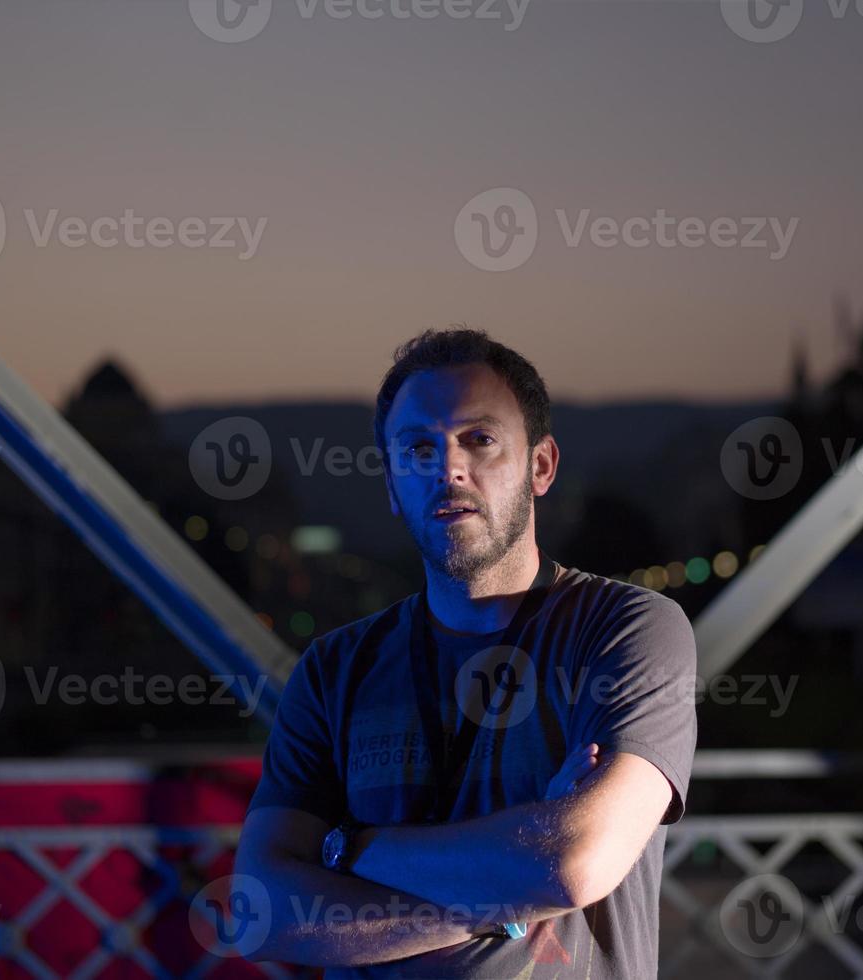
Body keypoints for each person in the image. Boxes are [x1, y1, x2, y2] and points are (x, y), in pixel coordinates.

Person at [233, 327, 697, 978]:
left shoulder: (624, 629)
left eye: (479, 439)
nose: (447, 468)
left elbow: (572, 863)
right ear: (393, 487)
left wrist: (347, 848)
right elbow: (258, 912)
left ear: (540, 466)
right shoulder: (336, 670)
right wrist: (503, 895)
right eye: (418, 447)